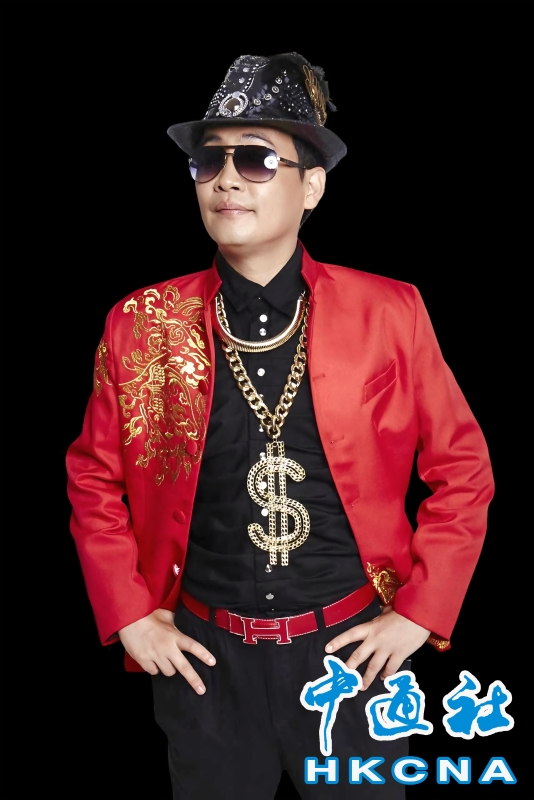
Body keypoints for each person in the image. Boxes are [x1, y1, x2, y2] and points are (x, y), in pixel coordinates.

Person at [66, 52, 494, 799]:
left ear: (312, 186)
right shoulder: (140, 321)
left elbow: (463, 469)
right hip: (204, 665)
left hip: (353, 664)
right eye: (210, 160)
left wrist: (420, 615)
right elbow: (92, 479)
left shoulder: (390, 310)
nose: (227, 179)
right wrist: (129, 614)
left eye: (258, 159)